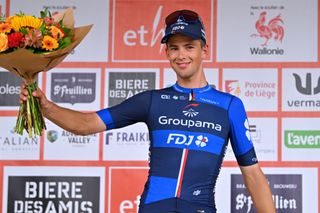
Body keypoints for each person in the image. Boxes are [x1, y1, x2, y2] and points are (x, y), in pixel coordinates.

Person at [20, 9, 276, 213]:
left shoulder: (229, 106)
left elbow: (252, 174)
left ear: (203, 50)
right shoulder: (152, 100)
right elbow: (87, 124)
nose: (181, 55)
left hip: (200, 208)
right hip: (154, 207)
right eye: (174, 48)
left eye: (189, 46)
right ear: (166, 53)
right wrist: (46, 107)